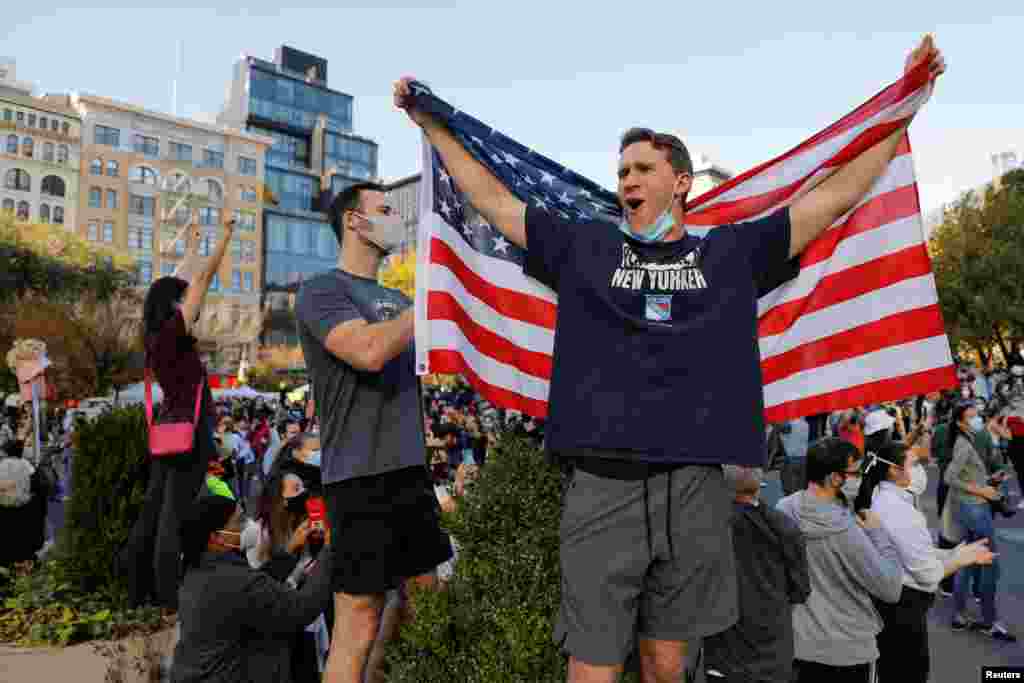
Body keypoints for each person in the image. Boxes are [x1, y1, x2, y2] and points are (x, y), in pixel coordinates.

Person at [394, 35, 944, 683]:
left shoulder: (731, 254)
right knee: (592, 663)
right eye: (622, 169)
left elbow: (831, 200)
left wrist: (904, 109)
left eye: (643, 167)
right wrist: (433, 123)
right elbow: (492, 200)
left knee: (666, 661)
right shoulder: (585, 246)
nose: (627, 177)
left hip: (692, 487)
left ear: (680, 182)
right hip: (603, 483)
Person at [295, 182, 453, 683]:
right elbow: (365, 350)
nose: (394, 219)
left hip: (409, 471)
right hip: (357, 474)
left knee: (423, 599)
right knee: (358, 616)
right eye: (384, 210)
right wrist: (423, 304)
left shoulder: (401, 297)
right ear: (353, 222)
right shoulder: (324, 290)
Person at [120, 219, 234, 610]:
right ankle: (168, 597)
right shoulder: (175, 332)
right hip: (190, 432)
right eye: (185, 300)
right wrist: (225, 238)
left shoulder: (155, 334)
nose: (195, 304)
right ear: (175, 305)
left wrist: (192, 246)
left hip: (168, 430)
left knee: (153, 511)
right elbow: (202, 280)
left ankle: (139, 591)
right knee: (173, 516)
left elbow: (181, 279)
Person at [853, 439, 994, 683]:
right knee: (909, 673)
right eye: (914, 463)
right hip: (904, 606)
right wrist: (961, 559)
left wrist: (951, 554)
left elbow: (913, 551)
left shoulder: (882, 497)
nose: (920, 470)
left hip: (891, 602)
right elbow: (927, 574)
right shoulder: (898, 509)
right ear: (894, 470)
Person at [776, 438, 903, 683]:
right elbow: (890, 588)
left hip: (800, 643)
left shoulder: (784, 509)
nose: (860, 478)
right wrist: (878, 534)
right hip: (849, 650)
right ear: (835, 478)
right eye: (855, 473)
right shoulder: (847, 531)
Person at [170, 493, 334, 683]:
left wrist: (288, 551)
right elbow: (303, 607)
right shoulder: (234, 581)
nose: (247, 526)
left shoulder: (196, 571)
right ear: (216, 537)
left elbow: (256, 588)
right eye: (239, 522)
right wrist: (328, 550)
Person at [704, 466, 809, 683]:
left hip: (723, 657)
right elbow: (800, 591)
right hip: (772, 658)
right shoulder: (784, 526)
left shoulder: (707, 525)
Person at [944, 402, 1016, 640]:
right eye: (971, 416)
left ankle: (959, 614)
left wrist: (987, 480)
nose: (977, 419)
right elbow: (950, 477)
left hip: (970, 506)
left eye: (977, 415)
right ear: (960, 422)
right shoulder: (963, 444)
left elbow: (967, 474)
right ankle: (989, 620)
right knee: (988, 564)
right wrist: (982, 491)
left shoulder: (968, 440)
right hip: (974, 508)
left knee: (967, 561)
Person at [779, 417, 810, 496]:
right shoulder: (806, 424)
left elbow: (781, 428)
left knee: (790, 491)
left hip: (791, 459)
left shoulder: (789, 424)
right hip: (804, 459)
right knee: (801, 490)